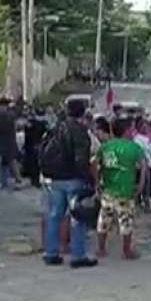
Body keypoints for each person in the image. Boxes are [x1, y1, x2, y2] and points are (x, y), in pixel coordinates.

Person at [40, 99, 97, 268]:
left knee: (54, 215)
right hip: (74, 178)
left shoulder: (56, 128)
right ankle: (77, 256)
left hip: (55, 178)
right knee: (77, 216)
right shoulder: (80, 131)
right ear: (82, 112)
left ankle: (51, 252)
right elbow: (81, 158)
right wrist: (88, 179)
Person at [94, 118, 147, 259]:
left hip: (108, 190)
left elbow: (94, 163)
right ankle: (126, 250)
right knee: (126, 221)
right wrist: (141, 184)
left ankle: (101, 248)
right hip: (126, 190)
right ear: (126, 131)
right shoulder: (134, 147)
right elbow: (143, 165)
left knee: (104, 220)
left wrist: (97, 181)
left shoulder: (105, 147)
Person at [0, 97, 23, 190]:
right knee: (12, 161)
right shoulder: (11, 113)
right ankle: (18, 180)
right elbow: (16, 124)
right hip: (10, 138)